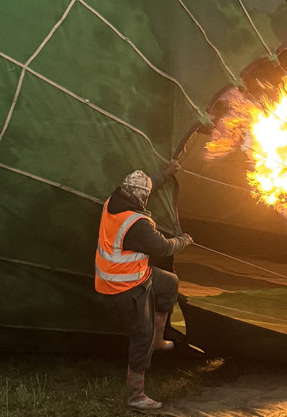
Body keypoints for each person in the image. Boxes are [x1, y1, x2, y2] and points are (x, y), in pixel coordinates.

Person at [95, 163, 193, 411]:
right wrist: (184, 240)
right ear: (142, 197)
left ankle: (159, 339)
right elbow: (163, 248)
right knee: (141, 337)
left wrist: (166, 174)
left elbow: (147, 182)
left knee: (170, 283)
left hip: (134, 275)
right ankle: (136, 395)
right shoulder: (136, 223)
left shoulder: (113, 201)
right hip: (124, 288)